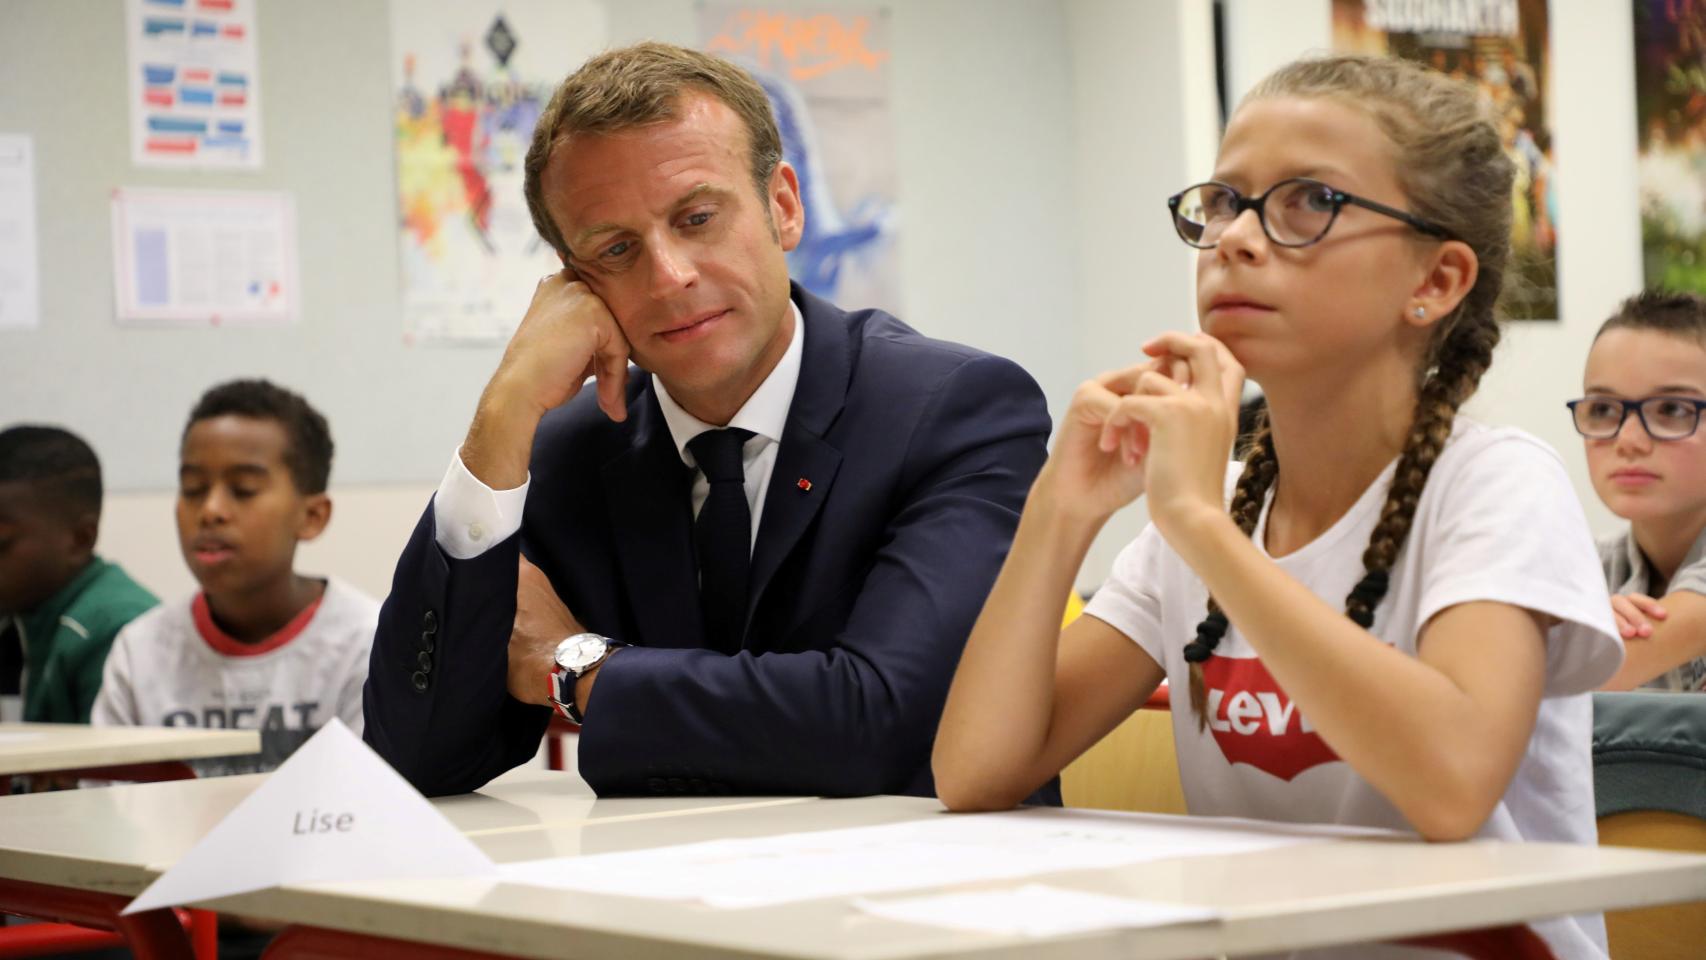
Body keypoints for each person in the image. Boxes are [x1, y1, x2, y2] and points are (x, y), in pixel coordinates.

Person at [933, 55, 1620, 960]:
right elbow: (978, 770)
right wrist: (1062, 510)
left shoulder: (1495, 485)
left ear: (1437, 281)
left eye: (1309, 203)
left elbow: (1452, 785)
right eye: (1225, 201)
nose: (1236, 239)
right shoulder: (1208, 510)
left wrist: (1202, 530)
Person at [364, 42, 1051, 799]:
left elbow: (876, 721)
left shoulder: (957, 410)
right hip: (675, 896)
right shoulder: (571, 452)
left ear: (783, 207)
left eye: (697, 217)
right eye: (617, 249)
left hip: (933, 892)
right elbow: (420, 759)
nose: (670, 276)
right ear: (572, 282)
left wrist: (576, 664)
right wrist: (502, 415)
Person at [92, 380, 376, 776]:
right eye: (193, 488)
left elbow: (370, 809)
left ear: (312, 516)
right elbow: (107, 813)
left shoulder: (368, 643)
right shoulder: (140, 652)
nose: (210, 510)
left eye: (243, 490)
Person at [1573, 290, 1706, 691]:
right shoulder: (1588, 568)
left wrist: (1567, 637)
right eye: (1602, 409)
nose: (1628, 440)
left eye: (1671, 409)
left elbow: (1576, 672)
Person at [0, 425, 156, 723]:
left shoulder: (117, 628)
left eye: (2, 542)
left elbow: (109, 767)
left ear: (80, 540)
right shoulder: (17, 608)